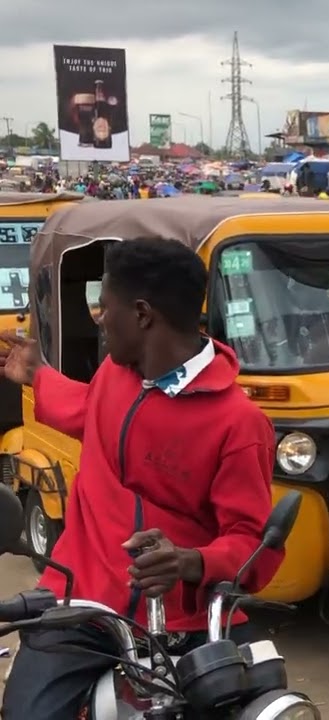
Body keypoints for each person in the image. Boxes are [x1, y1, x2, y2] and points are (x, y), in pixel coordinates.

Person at [0, 239, 282, 720]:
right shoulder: (115, 373)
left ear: (142, 314)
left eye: (104, 307)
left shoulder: (239, 425)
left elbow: (253, 547)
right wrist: (39, 374)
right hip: (83, 600)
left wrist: (191, 561)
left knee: (268, 701)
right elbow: (92, 412)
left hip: (185, 619)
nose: (99, 319)